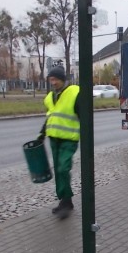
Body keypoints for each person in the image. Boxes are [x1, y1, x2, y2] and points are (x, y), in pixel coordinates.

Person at [37, 66, 80, 219]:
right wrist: (42, 134)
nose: (53, 83)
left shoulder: (74, 93)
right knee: (58, 171)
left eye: (55, 79)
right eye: (51, 80)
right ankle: (65, 201)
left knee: (63, 168)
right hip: (54, 139)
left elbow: (84, 115)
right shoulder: (51, 96)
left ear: (62, 79)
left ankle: (67, 201)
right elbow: (51, 116)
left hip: (69, 139)